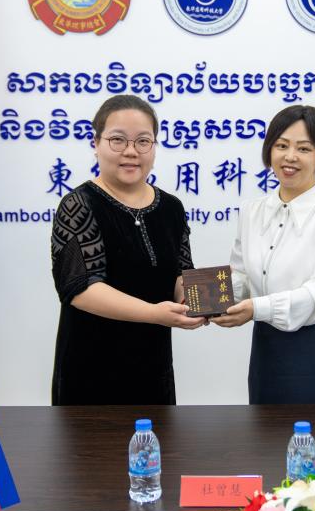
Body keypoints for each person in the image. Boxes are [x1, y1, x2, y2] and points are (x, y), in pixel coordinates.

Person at [50, 95, 205, 405]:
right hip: (90, 371)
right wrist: (154, 313)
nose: (131, 151)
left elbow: (180, 273)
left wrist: (199, 300)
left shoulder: (171, 207)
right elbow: (80, 288)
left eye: (143, 141)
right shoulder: (78, 205)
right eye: (118, 140)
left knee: (155, 437)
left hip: (153, 369)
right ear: (96, 143)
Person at [212, 105, 315, 404]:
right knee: (266, 432)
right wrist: (203, 296)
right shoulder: (250, 211)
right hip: (267, 350)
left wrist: (256, 308)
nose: (290, 156)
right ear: (269, 150)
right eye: (281, 145)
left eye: (304, 148)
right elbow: (240, 275)